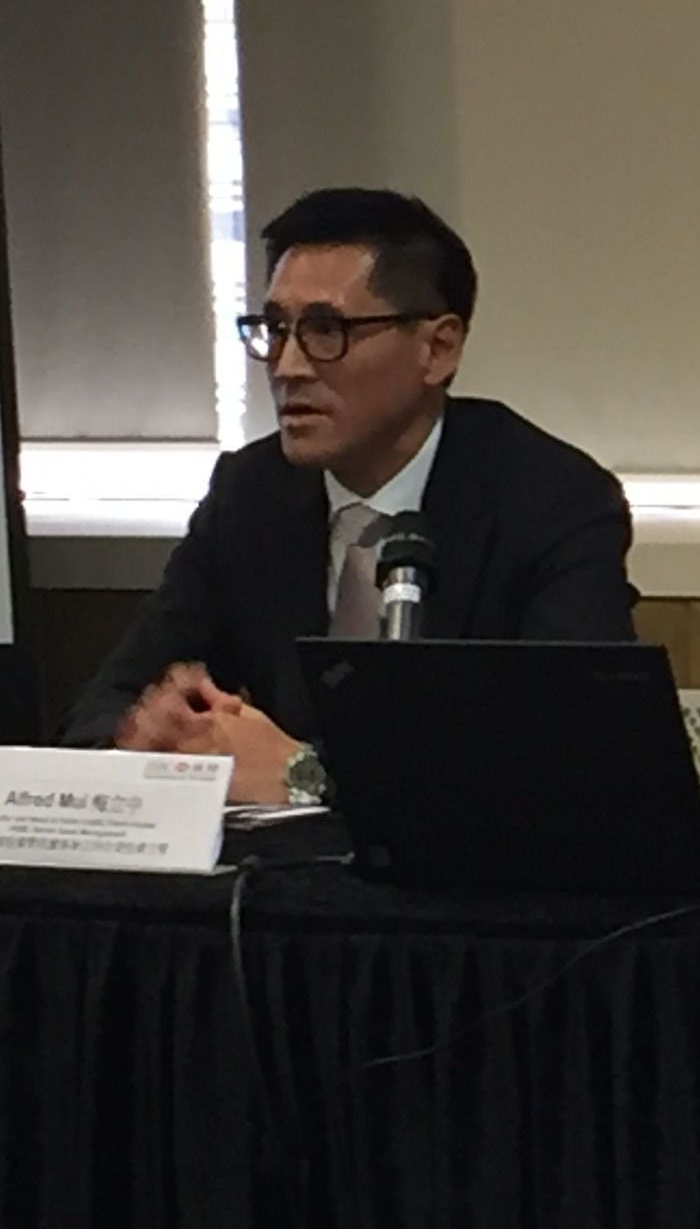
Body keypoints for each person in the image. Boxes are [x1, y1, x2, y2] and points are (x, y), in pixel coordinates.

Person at [61, 187, 638, 802]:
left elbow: (568, 758)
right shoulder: (250, 495)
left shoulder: (553, 503)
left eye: (326, 330)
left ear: (437, 348)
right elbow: (104, 708)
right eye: (275, 330)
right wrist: (147, 736)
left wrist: (302, 775)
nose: (287, 366)